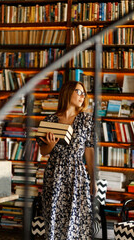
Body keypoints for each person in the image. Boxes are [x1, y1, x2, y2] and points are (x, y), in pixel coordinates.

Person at [38, 81, 95, 240]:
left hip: (76, 174)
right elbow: (43, 151)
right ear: (67, 92)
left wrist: (93, 179)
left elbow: (89, 151)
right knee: (53, 217)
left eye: (84, 93)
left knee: (76, 219)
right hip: (54, 174)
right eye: (79, 92)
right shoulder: (50, 120)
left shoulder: (86, 120)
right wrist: (51, 145)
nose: (82, 96)